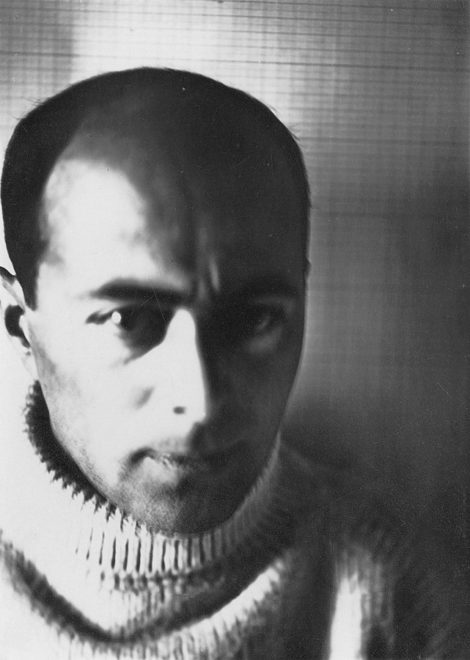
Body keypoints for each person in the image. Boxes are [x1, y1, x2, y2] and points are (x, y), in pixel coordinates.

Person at [0, 67, 465, 659]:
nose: (200, 401)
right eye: (129, 320)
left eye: (254, 320)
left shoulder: (400, 593)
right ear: (21, 329)